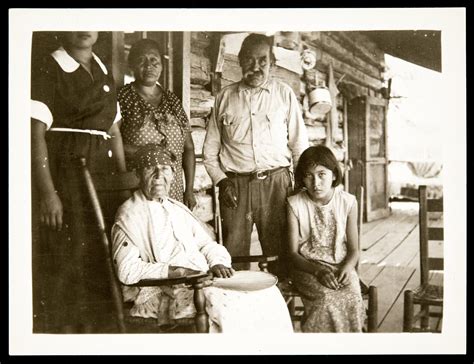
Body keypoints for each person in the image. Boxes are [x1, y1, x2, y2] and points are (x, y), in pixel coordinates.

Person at [111, 144, 293, 333]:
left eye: (165, 168)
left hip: (204, 280)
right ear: (138, 175)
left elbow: (205, 244)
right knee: (230, 305)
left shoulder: (176, 208)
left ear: (173, 175)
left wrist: (217, 263)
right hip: (169, 291)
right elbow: (127, 270)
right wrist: (175, 272)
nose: (159, 175)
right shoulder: (129, 215)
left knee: (268, 293)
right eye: (150, 168)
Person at [31, 31, 127, 333]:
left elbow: (114, 132)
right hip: (66, 170)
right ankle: (70, 334)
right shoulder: (49, 66)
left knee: (102, 253)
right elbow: (34, 133)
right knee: (70, 255)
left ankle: (100, 334)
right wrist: (48, 193)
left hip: (103, 171)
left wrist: (124, 184)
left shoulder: (102, 70)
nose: (84, 26)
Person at [203, 33, 309, 278]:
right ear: (240, 61)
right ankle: (238, 310)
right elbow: (209, 151)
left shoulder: (284, 95)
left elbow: (299, 145)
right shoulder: (225, 98)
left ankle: (279, 308)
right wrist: (222, 180)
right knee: (233, 259)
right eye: (249, 60)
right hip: (235, 187)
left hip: (277, 185)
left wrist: (299, 187)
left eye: (262, 60)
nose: (256, 67)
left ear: (272, 61)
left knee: (281, 255)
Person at [287, 145, 365, 332]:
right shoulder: (295, 204)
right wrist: (317, 271)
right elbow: (291, 253)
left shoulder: (347, 202)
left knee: (353, 298)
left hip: (340, 266)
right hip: (307, 267)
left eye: (322, 174)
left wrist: (347, 267)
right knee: (325, 300)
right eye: (308, 175)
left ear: (334, 175)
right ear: (302, 178)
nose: (316, 183)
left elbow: (354, 250)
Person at [117, 38, 196, 210]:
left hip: (173, 189)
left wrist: (189, 190)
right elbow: (111, 141)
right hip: (137, 187)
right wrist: (143, 152)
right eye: (141, 60)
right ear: (131, 64)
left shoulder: (172, 100)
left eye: (154, 60)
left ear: (162, 64)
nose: (149, 66)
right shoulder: (122, 98)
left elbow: (188, 147)